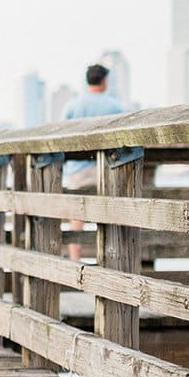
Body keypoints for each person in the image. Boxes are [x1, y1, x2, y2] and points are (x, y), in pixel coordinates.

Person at [60, 64, 127, 262]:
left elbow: (61, 136)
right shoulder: (114, 106)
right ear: (104, 80)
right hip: (105, 170)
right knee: (106, 215)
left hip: (77, 172)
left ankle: (74, 261)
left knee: (76, 218)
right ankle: (107, 260)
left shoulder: (72, 106)